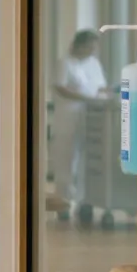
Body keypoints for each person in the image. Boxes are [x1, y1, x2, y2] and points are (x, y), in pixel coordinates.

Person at [51, 29, 109, 220]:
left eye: (94, 47)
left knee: (87, 159)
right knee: (67, 160)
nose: (92, 51)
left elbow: (100, 86)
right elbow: (61, 87)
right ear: (79, 45)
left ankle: (86, 201)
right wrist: (85, 98)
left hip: (91, 115)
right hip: (69, 116)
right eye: (89, 47)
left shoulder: (93, 64)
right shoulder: (65, 62)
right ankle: (64, 202)